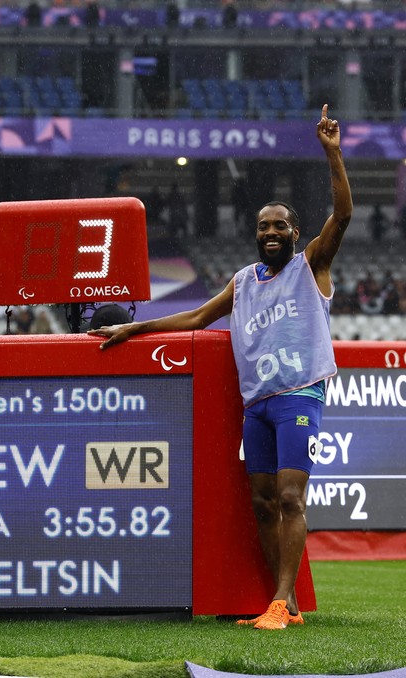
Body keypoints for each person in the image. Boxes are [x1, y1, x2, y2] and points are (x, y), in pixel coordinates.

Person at [90, 105, 351, 631]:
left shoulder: (310, 266)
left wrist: (333, 153)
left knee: (289, 496)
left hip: (299, 396)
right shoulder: (245, 280)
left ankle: (283, 602)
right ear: (255, 234)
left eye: (280, 225)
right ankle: (284, 602)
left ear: (296, 234)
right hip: (257, 404)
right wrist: (133, 329)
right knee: (260, 502)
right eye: (263, 226)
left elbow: (342, 215)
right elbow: (198, 316)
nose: (271, 232)